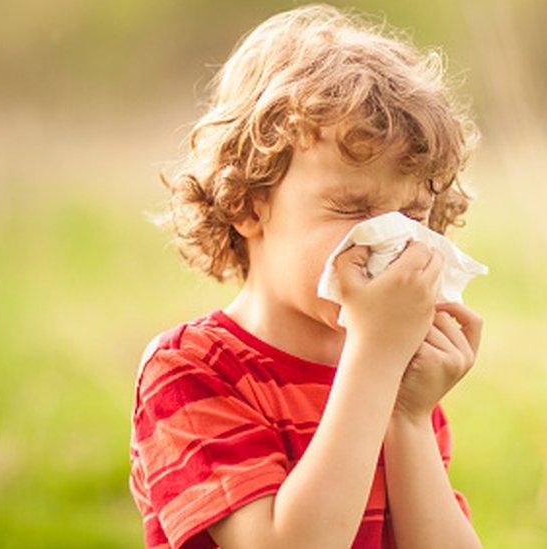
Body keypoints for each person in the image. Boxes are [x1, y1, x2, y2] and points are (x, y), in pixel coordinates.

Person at [128, 4, 484, 547]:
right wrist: (376, 360)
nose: (389, 240)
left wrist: (409, 419)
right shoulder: (192, 373)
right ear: (247, 204)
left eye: (412, 217)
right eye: (351, 208)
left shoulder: (396, 379)